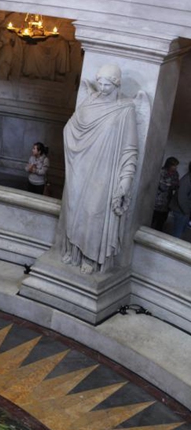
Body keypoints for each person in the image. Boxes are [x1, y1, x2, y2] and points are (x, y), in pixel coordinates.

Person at [61, 64, 138, 274]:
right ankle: (74, 251)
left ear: (117, 84)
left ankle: (91, 258)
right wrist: (77, 143)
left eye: (107, 85)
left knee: (94, 213)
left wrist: (126, 180)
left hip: (105, 172)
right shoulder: (90, 101)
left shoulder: (125, 109)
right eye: (100, 83)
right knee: (75, 209)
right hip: (81, 166)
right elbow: (71, 126)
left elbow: (130, 148)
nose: (103, 88)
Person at [151, 157, 180, 231]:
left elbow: (176, 186)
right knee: (152, 220)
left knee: (161, 222)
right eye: (174, 165)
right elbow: (162, 186)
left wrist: (169, 184)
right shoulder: (162, 172)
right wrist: (170, 185)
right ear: (169, 165)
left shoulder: (175, 174)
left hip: (167, 202)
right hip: (157, 202)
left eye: (176, 166)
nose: (175, 167)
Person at [168, 161, 191, 239]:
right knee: (177, 234)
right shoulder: (187, 180)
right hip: (181, 211)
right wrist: (187, 211)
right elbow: (182, 197)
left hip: (183, 211)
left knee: (180, 231)